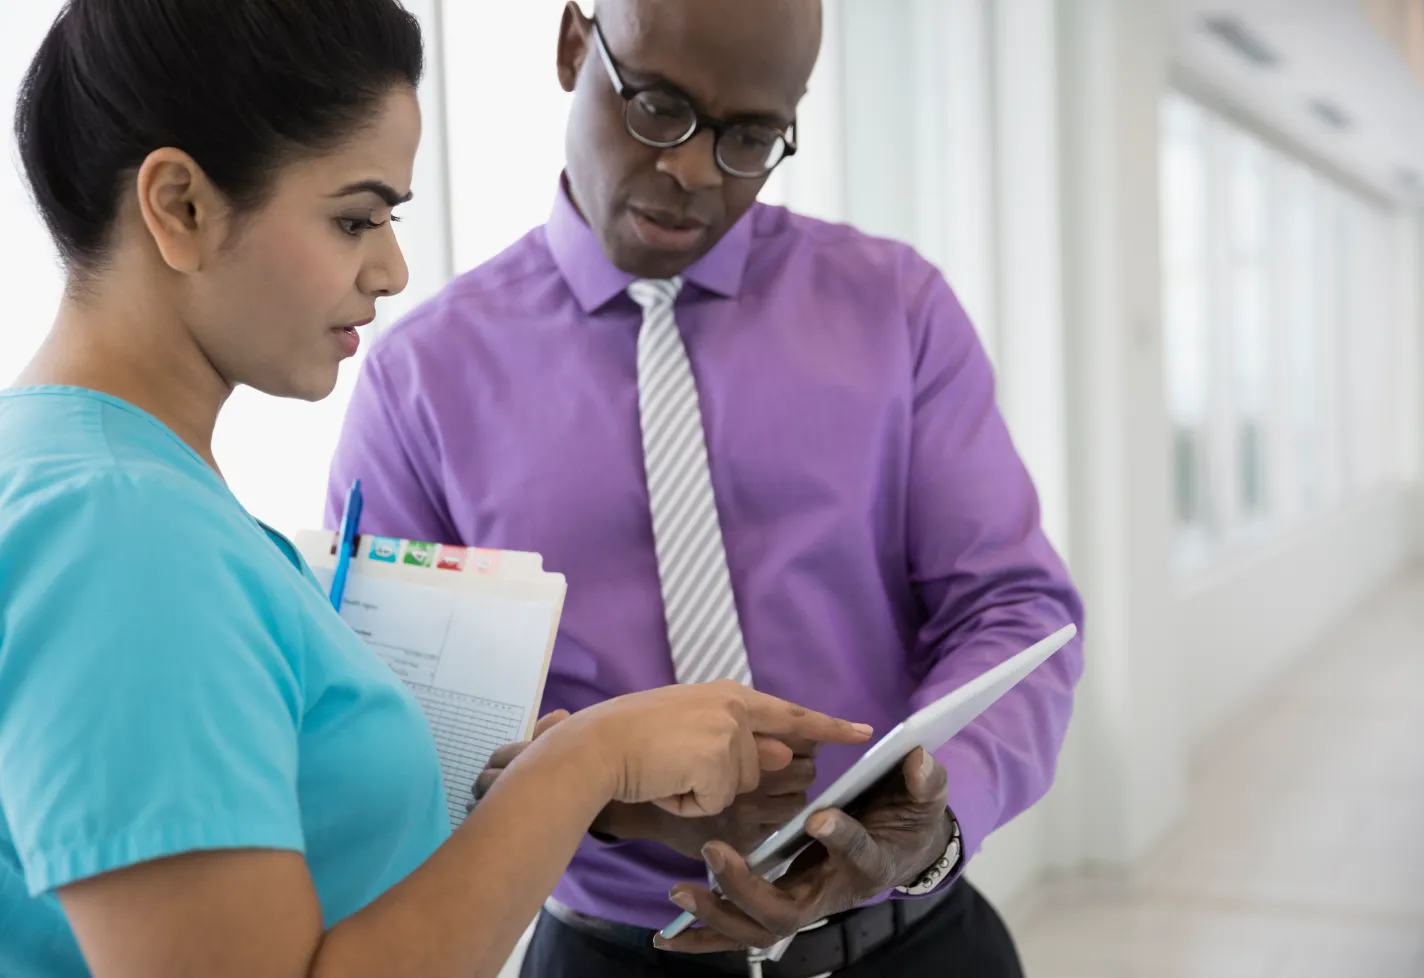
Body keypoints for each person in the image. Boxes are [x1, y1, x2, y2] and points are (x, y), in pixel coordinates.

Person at [0, 4, 876, 978]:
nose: (390, 268)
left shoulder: (101, 483)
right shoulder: (122, 536)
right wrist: (587, 762)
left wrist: (538, 780)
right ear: (180, 205)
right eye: (353, 218)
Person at [326, 0, 1087, 975]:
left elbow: (1012, 610)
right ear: (572, 45)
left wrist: (931, 812)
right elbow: (405, 736)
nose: (692, 169)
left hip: (912, 940)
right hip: (611, 954)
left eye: (750, 136)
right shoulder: (419, 380)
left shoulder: (894, 311)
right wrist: (604, 803)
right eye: (655, 107)